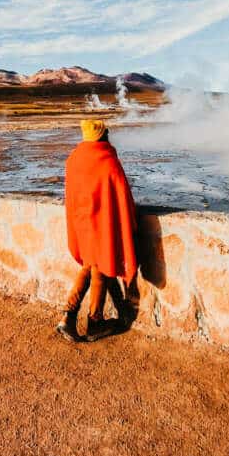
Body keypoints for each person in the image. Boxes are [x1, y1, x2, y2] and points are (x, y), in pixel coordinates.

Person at [56, 119, 138, 342]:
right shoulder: (108, 159)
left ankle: (68, 316)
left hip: (81, 222)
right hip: (102, 222)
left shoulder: (74, 158)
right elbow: (121, 192)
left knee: (90, 263)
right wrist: (127, 216)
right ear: (103, 135)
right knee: (100, 264)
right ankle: (95, 321)